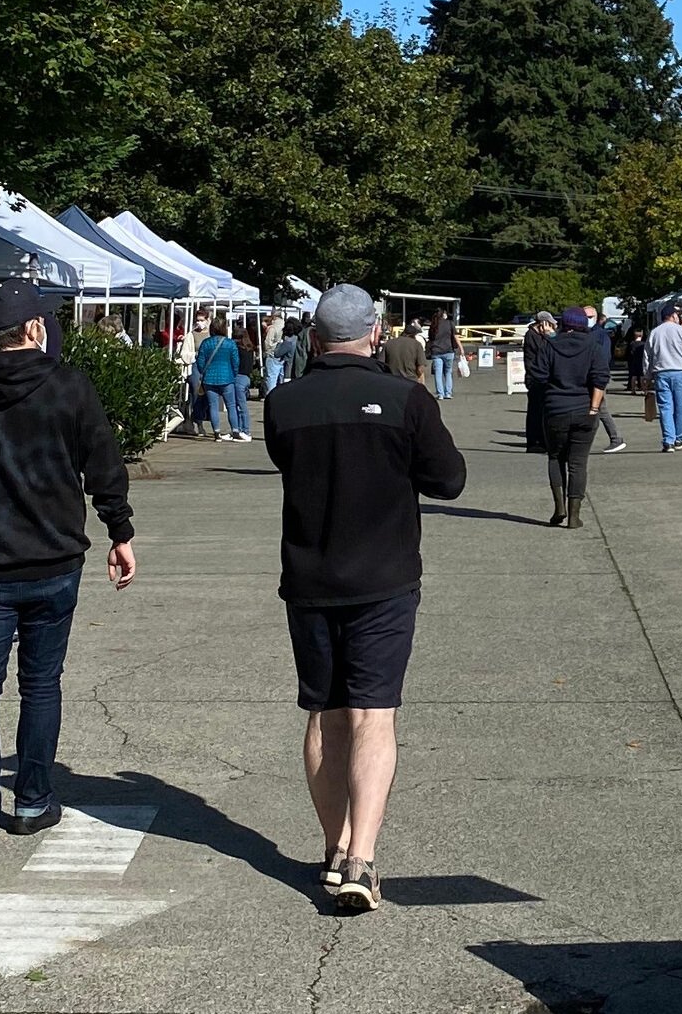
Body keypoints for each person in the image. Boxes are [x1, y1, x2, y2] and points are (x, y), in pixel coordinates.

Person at [0, 279, 137, 863]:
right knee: (41, 684)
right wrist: (119, 530)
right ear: (35, 329)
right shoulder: (68, 387)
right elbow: (103, 465)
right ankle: (32, 800)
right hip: (54, 557)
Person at [263, 283, 465, 912]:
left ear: (315, 339)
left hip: (311, 577)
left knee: (324, 713)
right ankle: (362, 859)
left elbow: (284, 460)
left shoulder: (284, 403)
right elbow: (449, 480)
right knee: (373, 714)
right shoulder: (406, 399)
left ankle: (332, 848)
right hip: (384, 577)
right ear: (375, 334)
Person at [539, 309, 613, 527]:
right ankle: (574, 515)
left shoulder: (549, 345)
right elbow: (601, 379)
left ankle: (559, 507)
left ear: (562, 324)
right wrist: (593, 408)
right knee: (578, 463)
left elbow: (538, 377)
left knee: (555, 457)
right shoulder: (593, 346)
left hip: (555, 409)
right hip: (584, 409)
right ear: (584, 324)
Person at [646, 305, 682, 451]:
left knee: (665, 407)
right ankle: (680, 438)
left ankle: (668, 440)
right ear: (672, 315)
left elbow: (648, 356)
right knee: (680, 406)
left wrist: (647, 375)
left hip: (661, 373)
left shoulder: (655, 333)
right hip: (680, 371)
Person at [583, 306, 630, 454]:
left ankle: (615, 439)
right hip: (590, 377)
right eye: (585, 316)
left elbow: (602, 358)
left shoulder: (599, 334)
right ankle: (614, 439)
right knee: (597, 410)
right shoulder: (588, 333)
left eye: (590, 316)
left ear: (596, 318)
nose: (587, 319)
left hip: (596, 377)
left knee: (598, 409)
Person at [197, 314, 248, 442]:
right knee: (231, 405)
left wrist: (203, 371)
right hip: (227, 378)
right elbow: (236, 362)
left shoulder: (206, 343)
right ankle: (235, 430)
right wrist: (233, 374)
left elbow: (200, 362)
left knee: (212, 405)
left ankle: (216, 433)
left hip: (209, 378)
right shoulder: (230, 343)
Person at [520, 311, 555, 453]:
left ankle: (542, 440)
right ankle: (535, 442)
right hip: (535, 378)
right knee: (535, 411)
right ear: (542, 323)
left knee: (542, 411)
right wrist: (549, 336)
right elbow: (544, 351)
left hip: (542, 377)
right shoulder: (532, 336)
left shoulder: (537, 336)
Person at [382, 315, 428, 388]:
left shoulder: (389, 343)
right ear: (414, 335)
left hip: (392, 381)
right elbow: (420, 368)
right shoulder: (417, 345)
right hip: (411, 381)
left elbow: (381, 364)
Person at [426, 309, 460, 400]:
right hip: (449, 350)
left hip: (436, 351)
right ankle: (448, 393)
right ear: (444, 315)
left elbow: (430, 339)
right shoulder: (450, 323)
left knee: (438, 373)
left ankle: (440, 394)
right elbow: (455, 337)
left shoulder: (433, 325)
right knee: (448, 372)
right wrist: (461, 348)